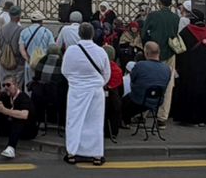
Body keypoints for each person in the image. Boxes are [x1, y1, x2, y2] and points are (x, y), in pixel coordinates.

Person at [61, 21, 111, 165]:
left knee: (75, 121)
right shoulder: (101, 51)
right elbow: (106, 73)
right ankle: (96, 155)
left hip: (77, 90)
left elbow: (65, 71)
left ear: (79, 34)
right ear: (93, 34)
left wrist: (75, 81)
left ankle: (72, 152)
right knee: (95, 123)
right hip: (95, 90)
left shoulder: (71, 50)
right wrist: (99, 83)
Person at [168, 11, 206, 126]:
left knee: (189, 91)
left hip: (190, 69)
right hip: (205, 69)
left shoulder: (187, 31)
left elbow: (180, 49)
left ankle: (189, 118)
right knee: (203, 92)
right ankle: (202, 118)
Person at [123, 41, 172, 130]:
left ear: (146, 53)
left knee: (121, 102)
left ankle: (124, 121)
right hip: (157, 101)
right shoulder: (167, 69)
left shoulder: (140, 65)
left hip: (138, 100)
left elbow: (132, 79)